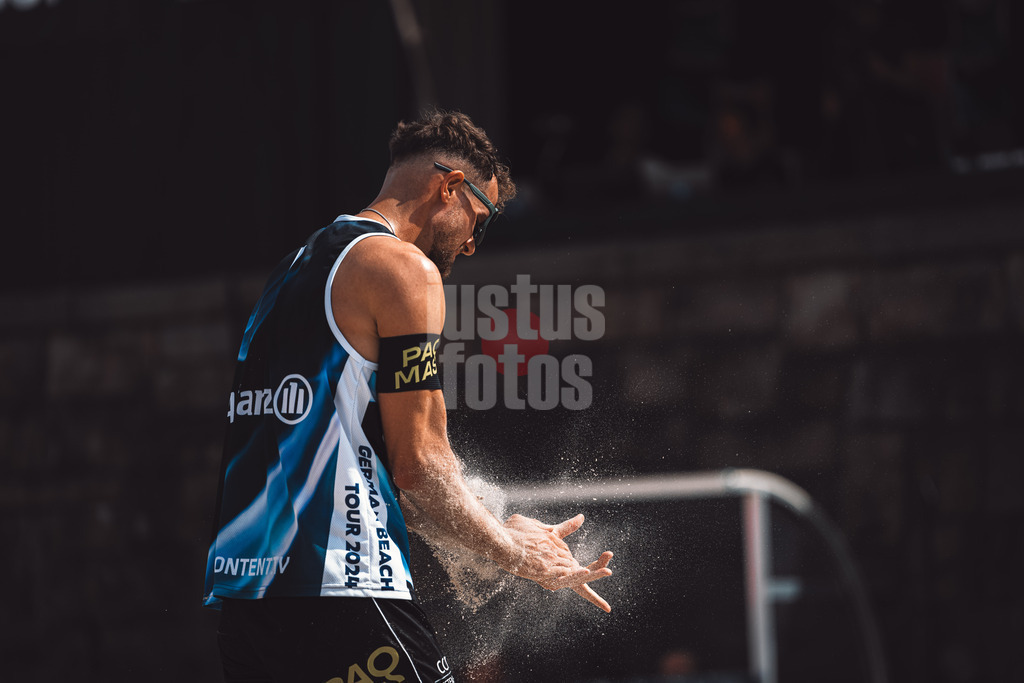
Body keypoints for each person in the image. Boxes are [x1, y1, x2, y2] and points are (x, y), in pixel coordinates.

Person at [203, 109, 614, 683]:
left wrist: (494, 527)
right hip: (342, 587)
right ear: (449, 187)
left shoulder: (294, 270)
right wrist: (519, 556)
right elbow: (421, 464)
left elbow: (360, 457)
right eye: (481, 217)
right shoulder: (403, 270)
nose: (473, 244)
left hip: (249, 600)